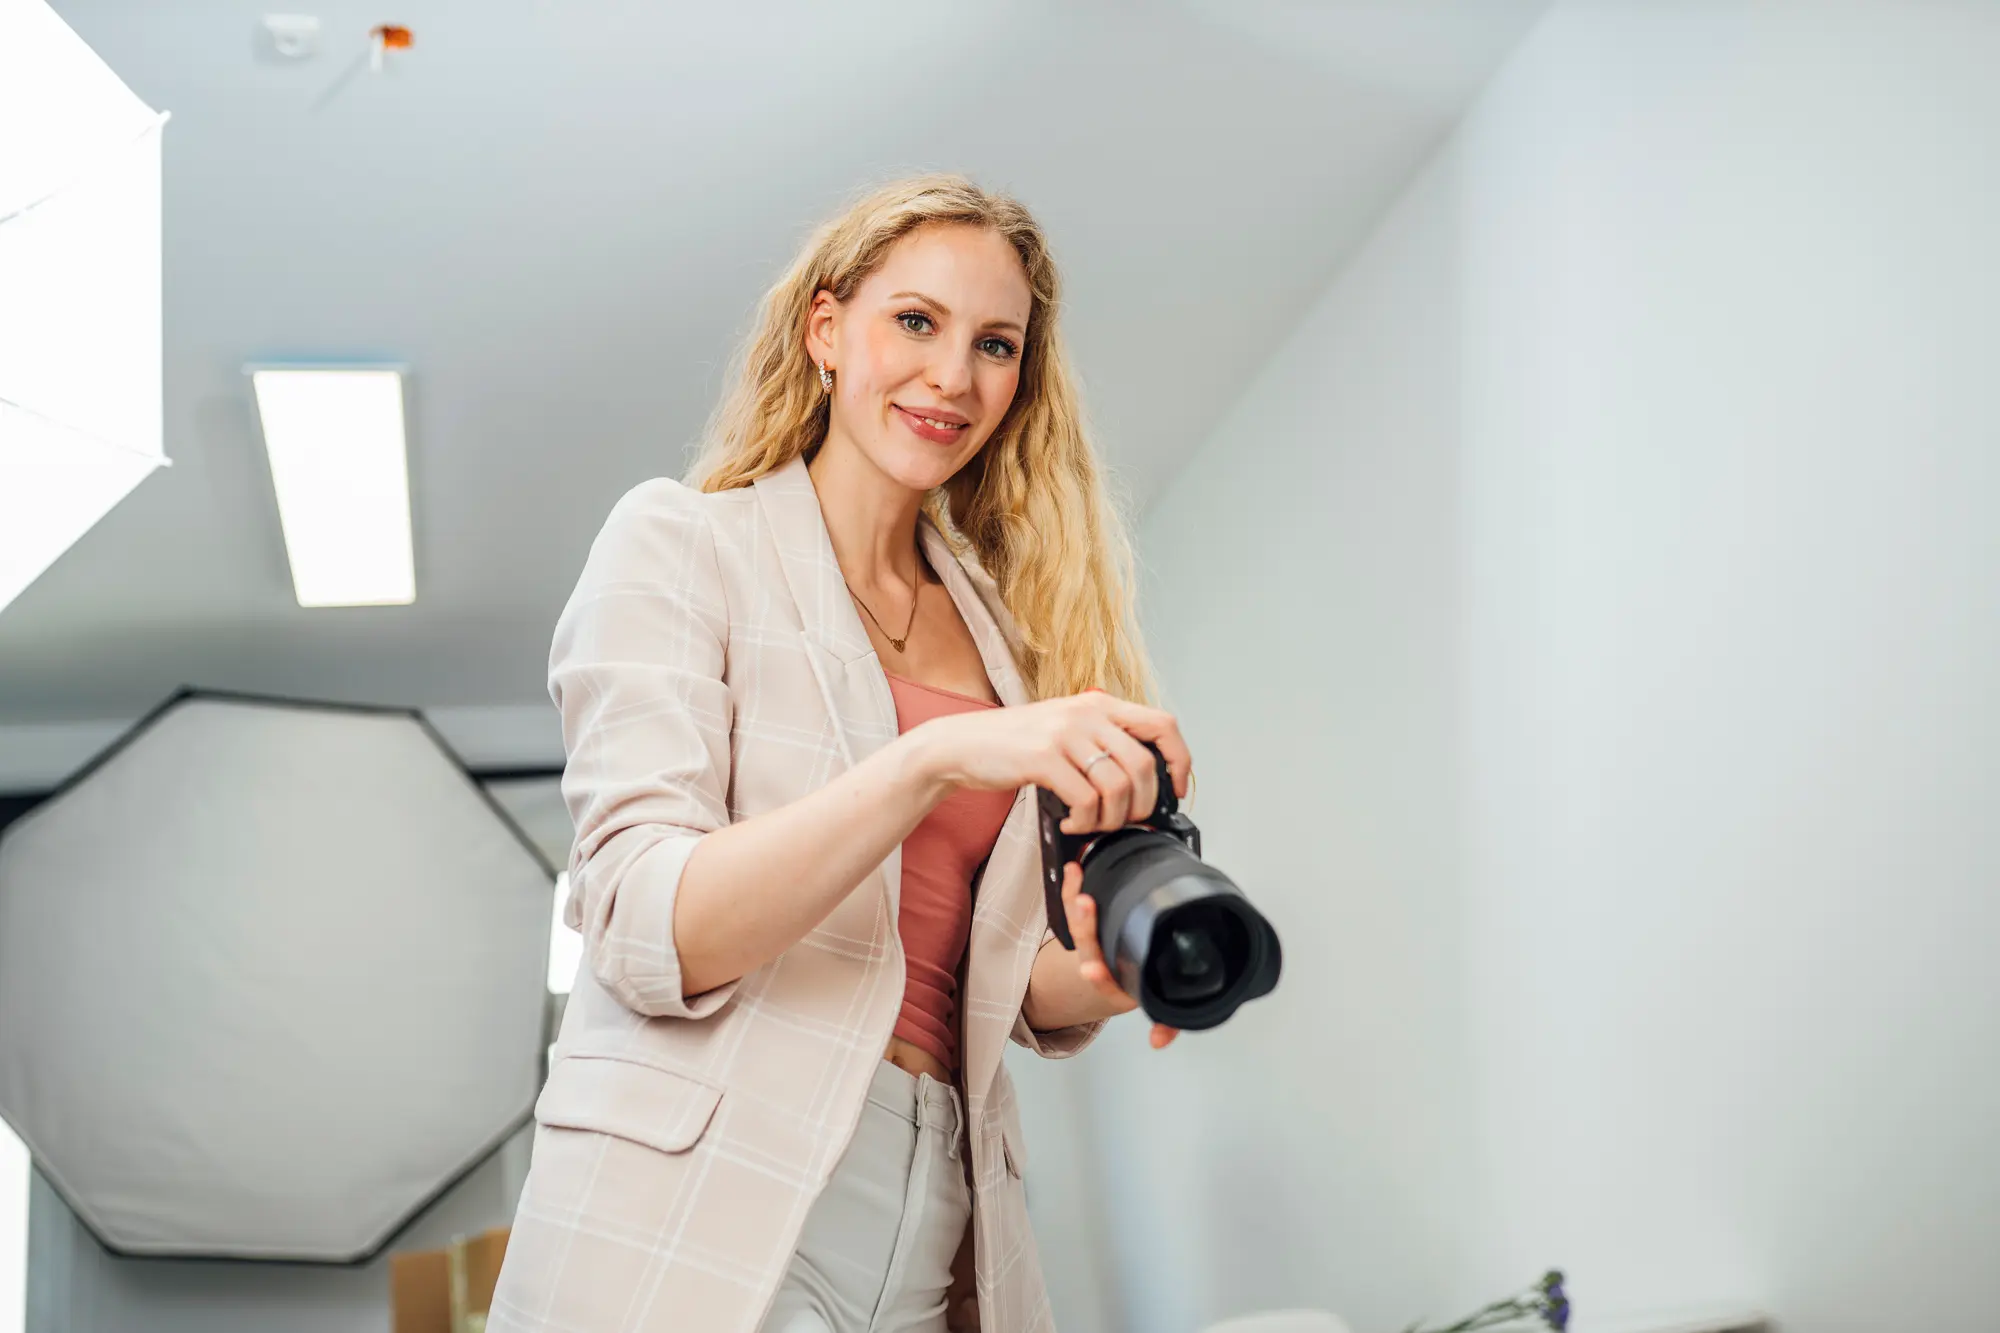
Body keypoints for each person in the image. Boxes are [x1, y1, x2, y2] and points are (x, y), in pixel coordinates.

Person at [487, 174, 1193, 1333]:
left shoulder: (1002, 639)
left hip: (939, 1205)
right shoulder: (681, 542)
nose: (952, 377)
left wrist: (1112, 972)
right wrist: (931, 761)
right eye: (913, 321)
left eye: (994, 345)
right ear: (826, 329)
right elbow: (642, 920)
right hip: (710, 1187)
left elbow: (993, 986)